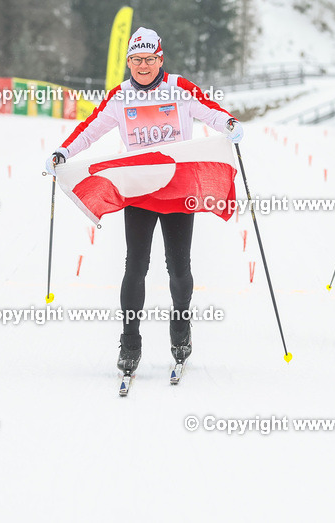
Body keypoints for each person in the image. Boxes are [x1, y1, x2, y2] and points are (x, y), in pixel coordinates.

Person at [47, 27, 244, 376]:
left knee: (178, 265)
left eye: (149, 59)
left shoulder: (179, 87)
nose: (142, 66)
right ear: (128, 62)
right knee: (135, 265)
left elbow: (210, 111)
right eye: (136, 60)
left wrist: (228, 122)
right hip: (139, 186)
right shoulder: (120, 96)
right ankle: (130, 341)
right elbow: (90, 129)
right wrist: (64, 151)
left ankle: (181, 328)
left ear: (160, 59)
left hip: (178, 187)